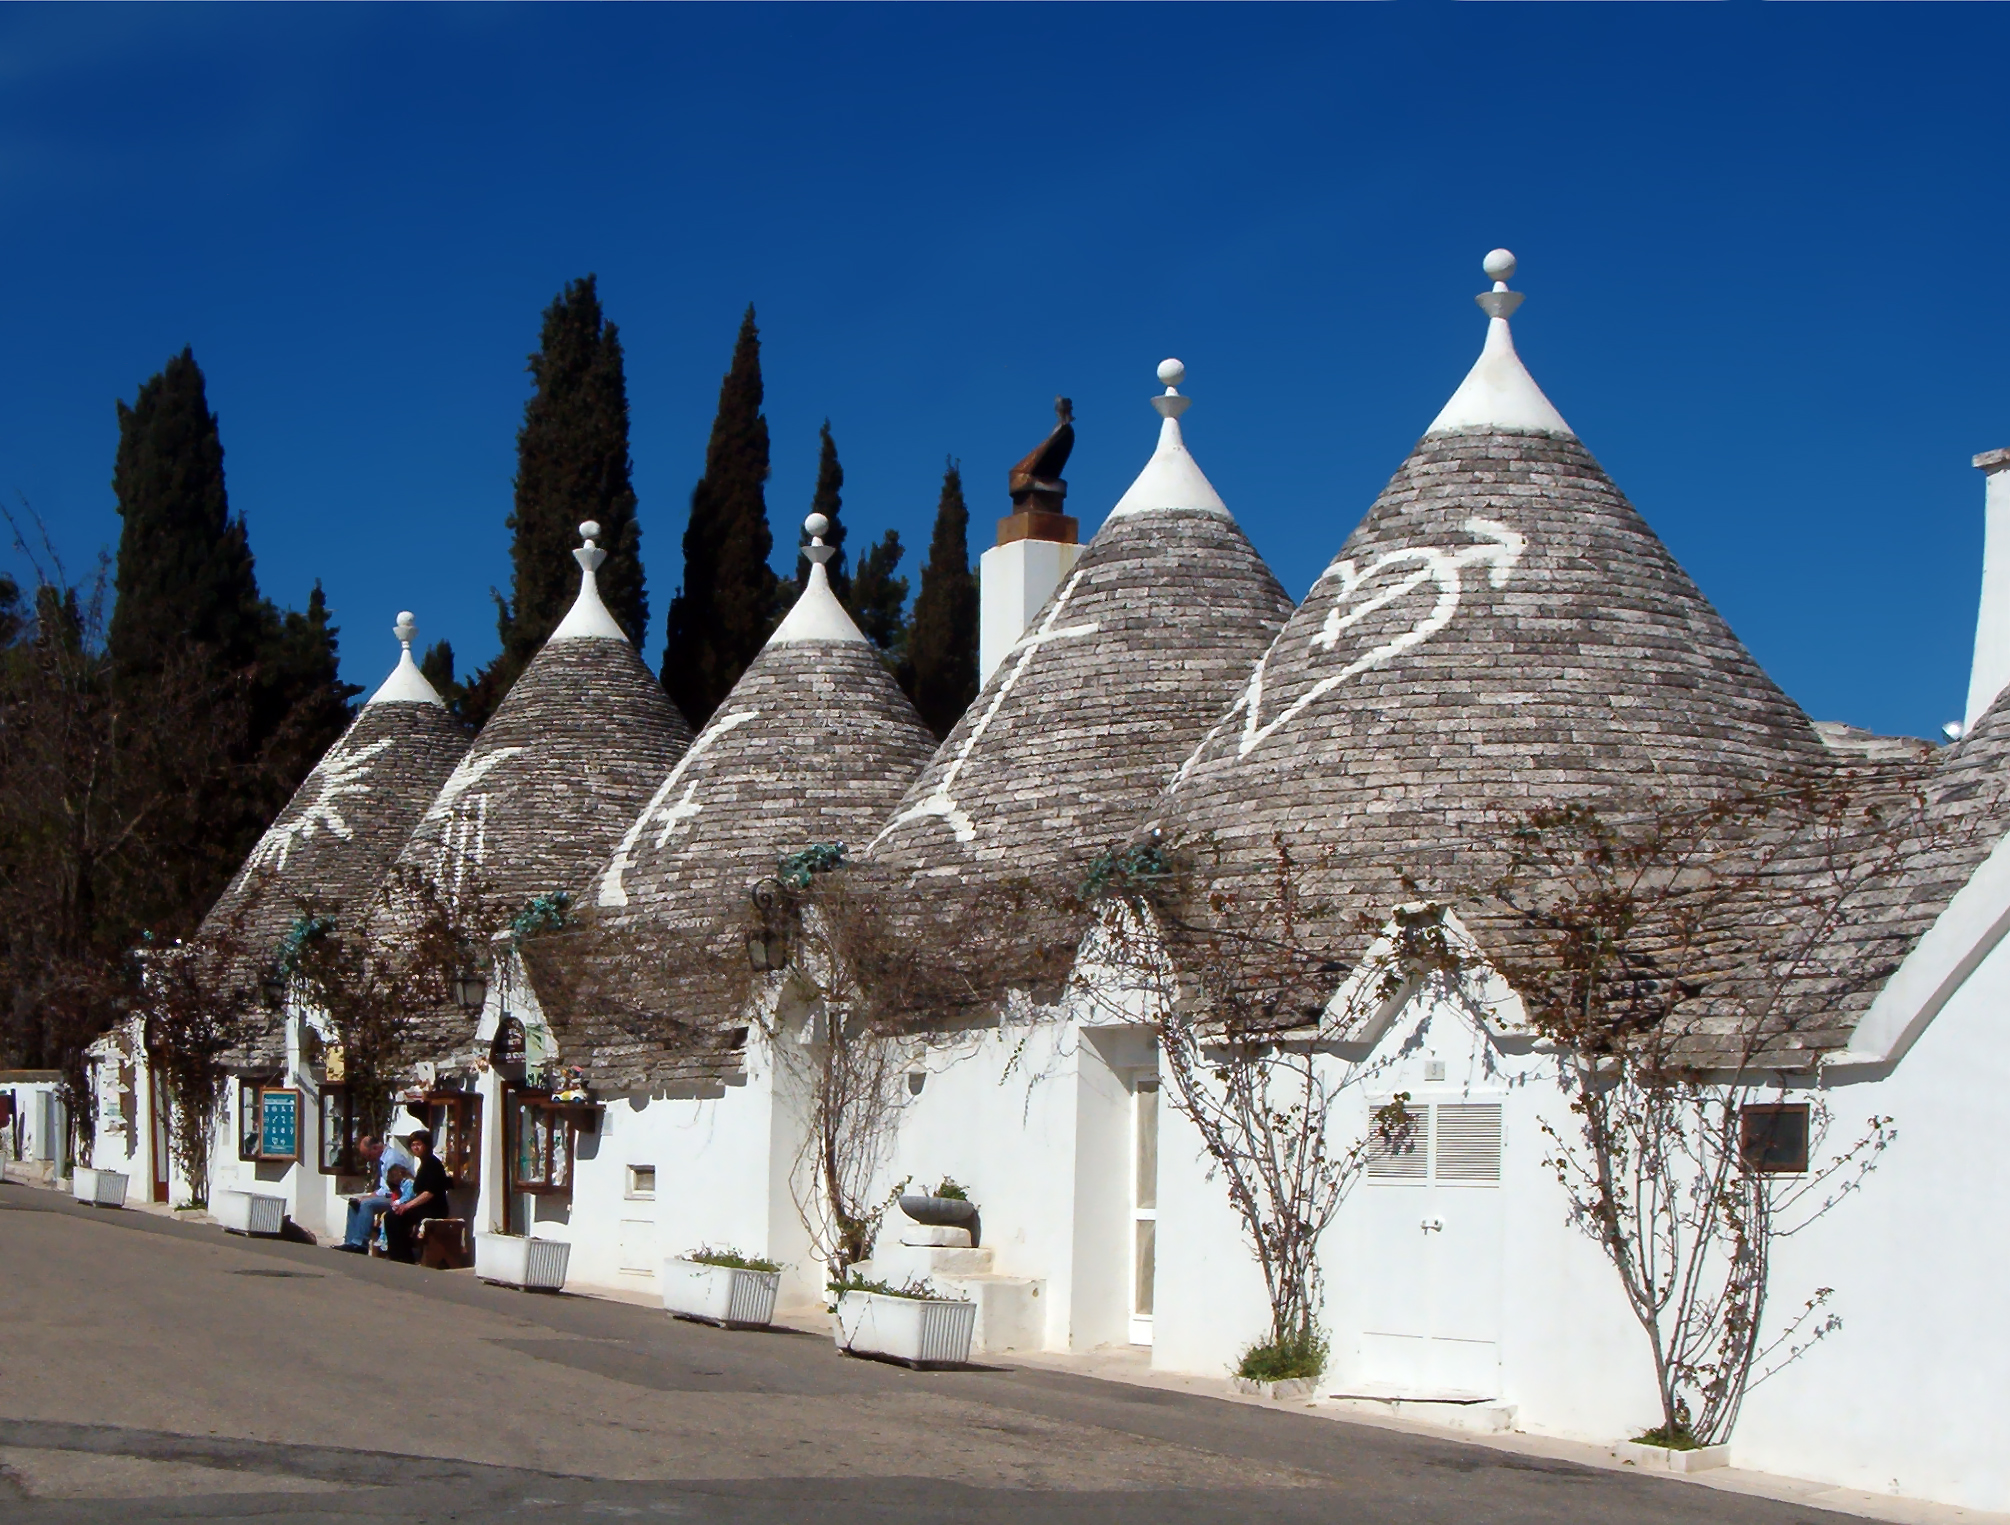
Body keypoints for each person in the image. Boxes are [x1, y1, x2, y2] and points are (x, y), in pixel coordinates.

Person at [383, 1127, 450, 1265]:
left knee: (394, 1217)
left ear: (427, 1145)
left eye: (418, 1144)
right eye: (413, 1145)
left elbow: (429, 1193)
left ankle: (402, 1256)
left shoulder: (433, 1164)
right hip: (422, 1207)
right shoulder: (424, 1164)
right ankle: (400, 1254)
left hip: (434, 1208)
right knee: (392, 1215)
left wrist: (407, 1206)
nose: (415, 1148)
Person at [338, 1132, 413, 1253]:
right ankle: (350, 1241)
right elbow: (384, 1187)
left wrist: (369, 1199)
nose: (369, 1159)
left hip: (400, 1197)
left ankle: (360, 1243)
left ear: (375, 1148)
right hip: (389, 1193)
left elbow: (396, 1187)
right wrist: (368, 1196)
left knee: (367, 1204)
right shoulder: (382, 1159)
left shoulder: (392, 1159)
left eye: (368, 1155)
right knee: (355, 1203)